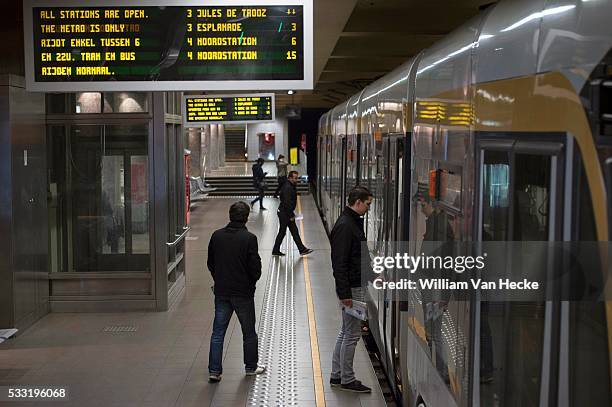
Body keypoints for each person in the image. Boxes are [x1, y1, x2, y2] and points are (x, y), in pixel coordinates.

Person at [207, 201, 266, 382]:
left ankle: (214, 371)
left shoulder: (216, 236)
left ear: (230, 215)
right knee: (248, 332)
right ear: (246, 218)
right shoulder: (249, 239)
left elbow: (210, 263)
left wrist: (220, 279)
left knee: (218, 333)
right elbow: (255, 268)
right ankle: (250, 367)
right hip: (243, 293)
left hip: (222, 292)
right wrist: (250, 282)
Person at [330, 186, 373, 393]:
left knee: (346, 331)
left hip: (355, 284)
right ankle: (347, 378)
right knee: (352, 334)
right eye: (367, 204)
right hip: (352, 288)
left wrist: (373, 276)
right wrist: (344, 293)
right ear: (358, 202)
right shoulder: (346, 226)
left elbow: (358, 257)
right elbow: (340, 262)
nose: (368, 208)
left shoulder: (352, 222)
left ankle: (337, 375)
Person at [271, 170, 313, 256]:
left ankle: (302, 249)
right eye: (295, 178)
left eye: (297, 178)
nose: (296, 180)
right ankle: (276, 250)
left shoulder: (290, 185)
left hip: (286, 212)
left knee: (294, 231)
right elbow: (286, 203)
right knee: (283, 232)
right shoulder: (287, 187)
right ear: (290, 178)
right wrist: (291, 215)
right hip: (284, 213)